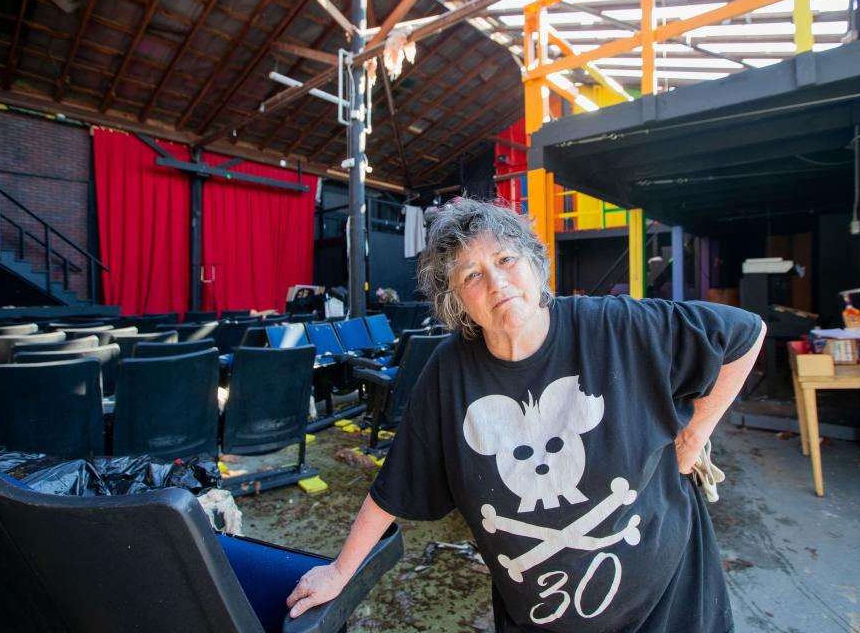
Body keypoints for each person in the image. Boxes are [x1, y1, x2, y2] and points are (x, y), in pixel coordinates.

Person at [287, 199, 766, 632]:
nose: (496, 283)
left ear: (534, 265)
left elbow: (745, 334)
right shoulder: (449, 374)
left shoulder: (616, 326)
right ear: (457, 301)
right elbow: (395, 485)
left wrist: (695, 432)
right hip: (539, 617)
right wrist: (338, 571)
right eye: (472, 275)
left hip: (672, 605)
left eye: (505, 260)